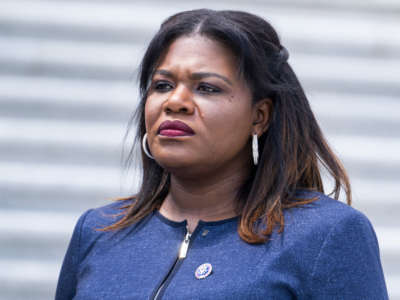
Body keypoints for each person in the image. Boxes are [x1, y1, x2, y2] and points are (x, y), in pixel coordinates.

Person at [55, 9, 388, 299]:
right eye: (162, 85)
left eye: (207, 88)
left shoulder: (324, 235)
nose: (175, 102)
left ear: (260, 116)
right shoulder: (99, 231)